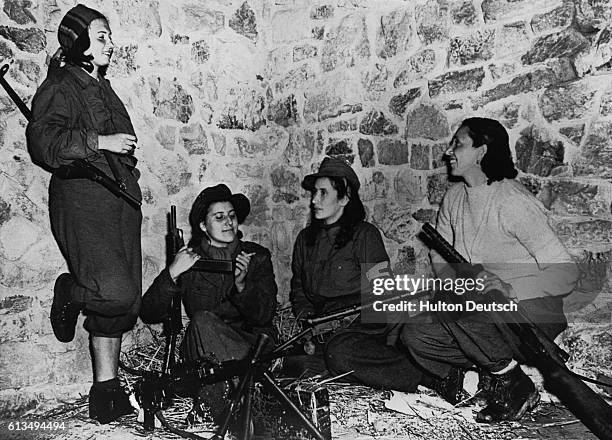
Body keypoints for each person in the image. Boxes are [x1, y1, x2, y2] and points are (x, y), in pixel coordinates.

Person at [400, 117, 579, 422]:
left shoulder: (512, 201)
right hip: (481, 318)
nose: (448, 152)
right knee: (416, 334)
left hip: (530, 314)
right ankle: (497, 372)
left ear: (482, 151)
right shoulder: (455, 196)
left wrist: (508, 288)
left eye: (458, 143)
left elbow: (567, 274)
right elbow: (440, 253)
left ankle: (512, 383)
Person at [26, 4, 142, 424]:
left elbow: (123, 146)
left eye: (109, 35)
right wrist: (101, 141)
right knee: (113, 291)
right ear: (78, 42)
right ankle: (70, 291)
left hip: (121, 199)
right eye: (102, 35)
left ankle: (105, 391)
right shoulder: (60, 84)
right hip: (83, 197)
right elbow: (44, 143)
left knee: (124, 306)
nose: (111, 43)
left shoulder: (104, 87)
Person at [288, 157, 444, 397]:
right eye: (313, 193)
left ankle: (426, 377)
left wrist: (350, 326)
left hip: (362, 329)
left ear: (344, 198)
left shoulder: (364, 235)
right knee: (293, 365)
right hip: (322, 330)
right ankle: (358, 371)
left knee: (340, 353)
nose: (314, 200)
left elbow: (381, 292)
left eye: (322, 193)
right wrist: (310, 326)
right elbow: (299, 290)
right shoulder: (304, 239)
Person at [140, 184, 277, 418]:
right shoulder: (190, 261)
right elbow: (150, 312)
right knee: (202, 321)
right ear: (203, 226)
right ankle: (238, 407)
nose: (229, 223)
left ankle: (241, 404)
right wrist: (172, 272)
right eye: (219, 217)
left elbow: (264, 316)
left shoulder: (256, 257)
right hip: (205, 353)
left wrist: (242, 286)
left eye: (232, 216)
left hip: (247, 347)